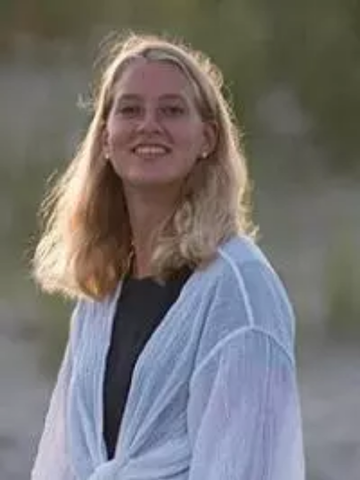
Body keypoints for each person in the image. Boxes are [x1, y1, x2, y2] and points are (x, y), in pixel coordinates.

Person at [31, 33, 305, 480]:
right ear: (105, 138)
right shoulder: (102, 293)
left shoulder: (239, 291)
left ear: (207, 139)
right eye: (130, 109)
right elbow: (63, 463)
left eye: (173, 110)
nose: (149, 125)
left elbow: (245, 465)